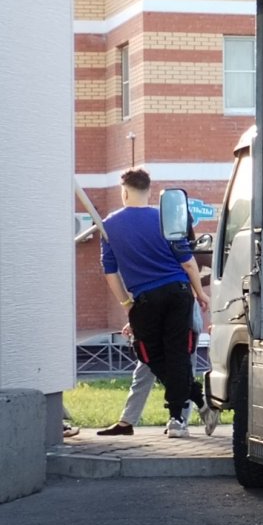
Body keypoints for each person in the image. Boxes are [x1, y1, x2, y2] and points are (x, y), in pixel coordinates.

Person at [101, 168, 210, 437]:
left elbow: (110, 273)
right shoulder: (166, 217)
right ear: (149, 190)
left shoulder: (109, 225)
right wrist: (200, 293)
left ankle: (183, 409)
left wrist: (127, 304)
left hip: (145, 299)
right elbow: (187, 262)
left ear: (123, 191)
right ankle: (185, 409)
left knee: (149, 355)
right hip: (178, 293)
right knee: (177, 353)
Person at [97, 299, 219, 437]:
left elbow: (186, 286)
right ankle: (127, 421)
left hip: (181, 317)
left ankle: (180, 420)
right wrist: (136, 321)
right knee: (145, 371)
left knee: (182, 370)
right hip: (156, 320)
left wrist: (202, 295)